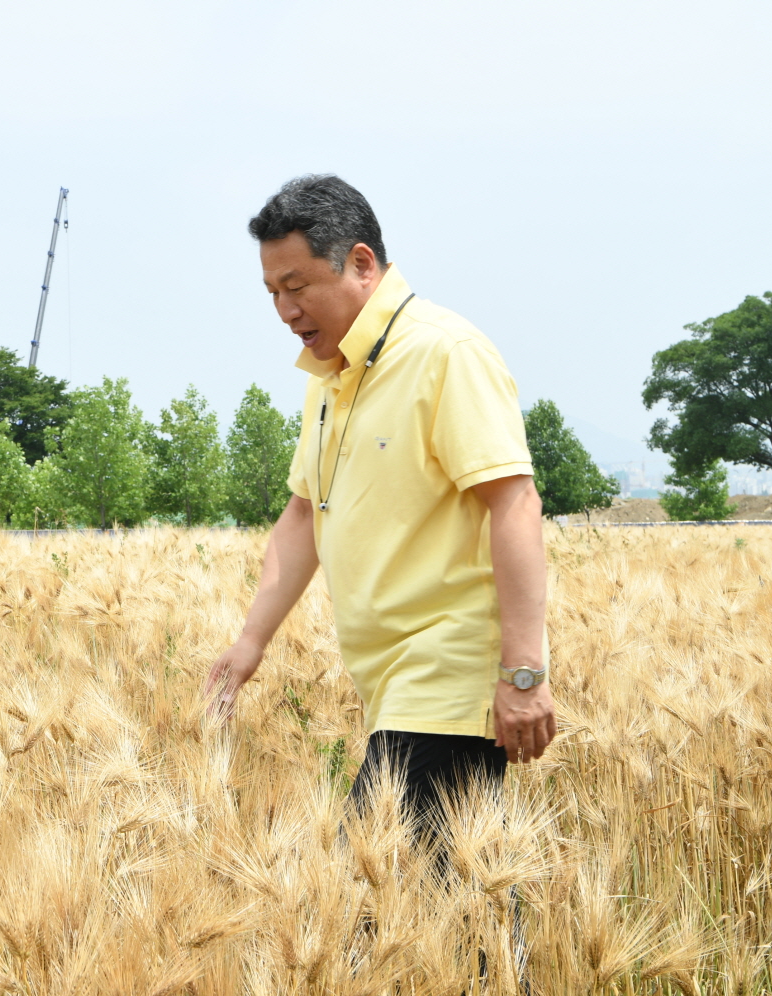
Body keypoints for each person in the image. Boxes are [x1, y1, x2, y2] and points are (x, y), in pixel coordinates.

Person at [204, 174, 556, 833]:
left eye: (297, 286)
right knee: (443, 914)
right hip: (388, 687)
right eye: (272, 292)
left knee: (380, 897)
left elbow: (515, 503)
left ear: (360, 263)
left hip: (445, 679)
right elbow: (304, 514)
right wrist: (250, 640)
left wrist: (523, 672)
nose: (284, 310)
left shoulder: (443, 353)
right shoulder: (329, 374)